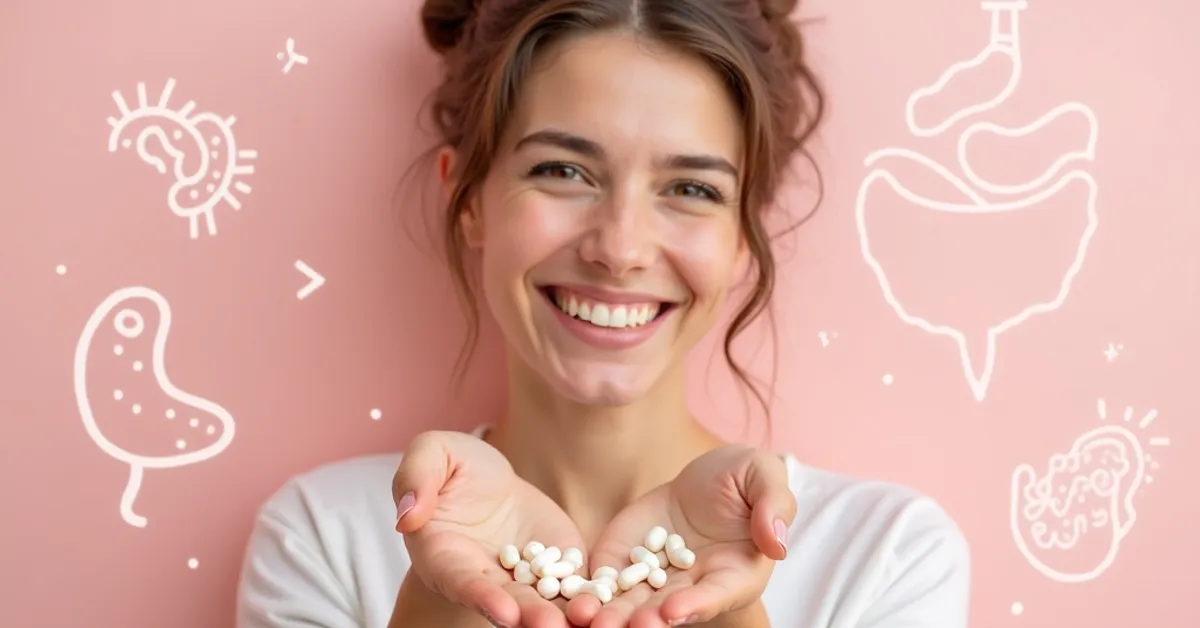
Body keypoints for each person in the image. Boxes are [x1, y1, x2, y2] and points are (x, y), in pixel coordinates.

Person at [236, 0, 972, 626]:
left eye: (692, 188)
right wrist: (438, 607)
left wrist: (730, 616)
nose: (620, 248)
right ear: (469, 201)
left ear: (745, 233)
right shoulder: (325, 535)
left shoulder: (885, 555)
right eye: (562, 171)